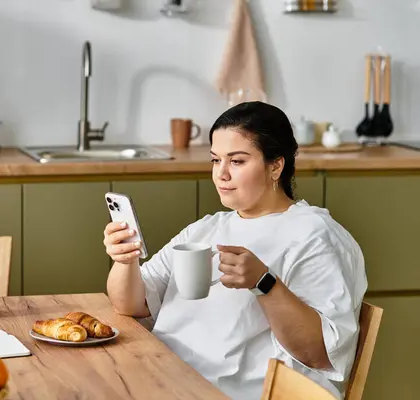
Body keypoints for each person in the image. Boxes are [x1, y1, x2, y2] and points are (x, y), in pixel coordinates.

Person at [103, 101, 367, 400]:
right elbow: (131, 305)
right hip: (164, 379)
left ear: (276, 166)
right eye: (216, 160)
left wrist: (264, 283)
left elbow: (319, 355)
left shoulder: (316, 236)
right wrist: (124, 260)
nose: (221, 174)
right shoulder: (205, 229)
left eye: (237, 161)